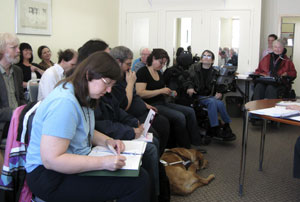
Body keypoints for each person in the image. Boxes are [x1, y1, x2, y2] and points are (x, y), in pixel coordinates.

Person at [25, 51, 150, 202]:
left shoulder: (81, 93)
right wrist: (104, 162)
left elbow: (83, 129)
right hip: (49, 176)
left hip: (65, 165)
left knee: (139, 173)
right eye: (107, 83)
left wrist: (107, 141)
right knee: (137, 182)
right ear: (89, 75)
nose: (109, 90)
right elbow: (52, 160)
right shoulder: (64, 103)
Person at [136, 48, 203, 148]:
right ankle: (185, 147)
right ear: (153, 58)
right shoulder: (142, 72)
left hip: (162, 102)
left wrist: (170, 92)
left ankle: (195, 141)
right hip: (151, 105)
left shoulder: (158, 72)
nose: (162, 65)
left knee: (190, 111)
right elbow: (140, 93)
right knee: (179, 117)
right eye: (161, 63)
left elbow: (160, 89)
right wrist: (161, 91)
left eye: (164, 64)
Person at [110, 46, 170, 156]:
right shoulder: (114, 80)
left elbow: (135, 95)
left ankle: (161, 157)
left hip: (142, 107)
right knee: (154, 137)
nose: (130, 67)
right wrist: (131, 83)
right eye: (128, 64)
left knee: (164, 124)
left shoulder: (125, 73)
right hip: (132, 113)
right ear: (118, 62)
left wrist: (145, 104)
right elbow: (125, 106)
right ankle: (157, 162)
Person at [185, 50, 236, 141]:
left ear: (212, 61)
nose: (206, 57)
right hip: (198, 95)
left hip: (209, 96)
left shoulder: (215, 72)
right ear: (201, 59)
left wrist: (220, 93)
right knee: (212, 102)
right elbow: (188, 79)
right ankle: (214, 127)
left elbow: (219, 85)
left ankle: (227, 125)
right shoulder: (194, 68)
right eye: (204, 55)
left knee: (220, 103)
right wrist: (190, 87)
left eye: (209, 56)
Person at [0, 33, 26, 143]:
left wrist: (24, 110)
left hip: (17, 122)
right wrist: (15, 113)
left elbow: (21, 97)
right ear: (2, 50)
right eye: (13, 47)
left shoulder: (17, 71)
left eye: (18, 47)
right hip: (3, 125)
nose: (18, 50)